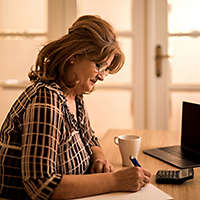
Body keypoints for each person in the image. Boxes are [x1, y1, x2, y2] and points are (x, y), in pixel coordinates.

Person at [0, 15, 151, 200]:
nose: (102, 76)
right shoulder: (46, 101)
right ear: (74, 56)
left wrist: (99, 156)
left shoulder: (73, 93)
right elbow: (41, 185)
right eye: (99, 66)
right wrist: (115, 181)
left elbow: (89, 137)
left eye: (106, 70)